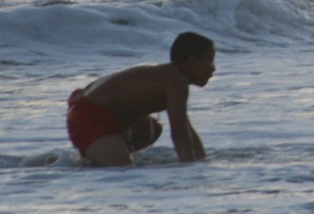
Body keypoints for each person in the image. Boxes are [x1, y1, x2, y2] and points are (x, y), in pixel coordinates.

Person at [66, 31, 215, 166]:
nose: (213, 68)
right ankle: (90, 157)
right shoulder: (177, 82)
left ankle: (104, 152)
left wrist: (201, 161)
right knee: (123, 169)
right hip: (89, 115)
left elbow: (185, 126)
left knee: (151, 128)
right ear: (193, 61)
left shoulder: (169, 74)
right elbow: (179, 132)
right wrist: (189, 168)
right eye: (210, 60)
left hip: (91, 106)